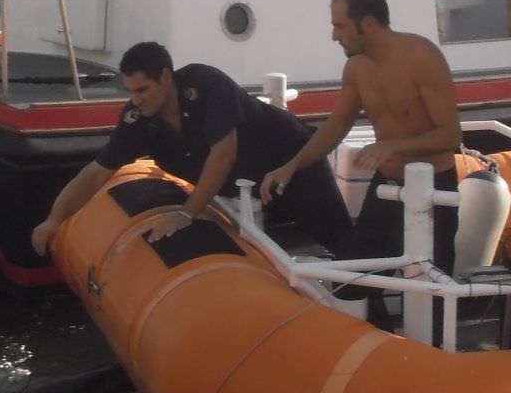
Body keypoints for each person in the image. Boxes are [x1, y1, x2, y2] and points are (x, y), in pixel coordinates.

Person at [29, 41, 351, 257]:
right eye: (130, 91)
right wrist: (54, 219)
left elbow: (223, 152)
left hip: (290, 164)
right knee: (271, 259)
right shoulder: (137, 119)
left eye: (143, 89)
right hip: (242, 193)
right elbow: (96, 171)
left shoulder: (206, 84)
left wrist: (187, 213)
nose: (136, 99)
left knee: (339, 241)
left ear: (166, 78)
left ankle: (375, 314)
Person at [260, 0, 463, 277]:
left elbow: (451, 135)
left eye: (340, 27)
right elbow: (338, 124)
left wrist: (393, 146)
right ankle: (376, 323)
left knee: (433, 287)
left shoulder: (421, 57)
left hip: (433, 189)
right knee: (358, 280)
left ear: (367, 24)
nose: (334, 36)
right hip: (385, 187)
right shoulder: (356, 68)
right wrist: (291, 167)